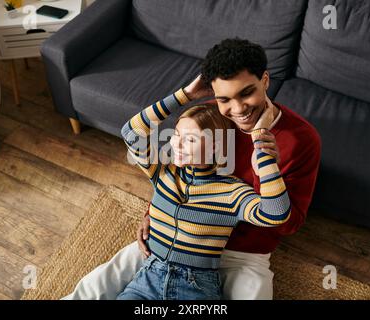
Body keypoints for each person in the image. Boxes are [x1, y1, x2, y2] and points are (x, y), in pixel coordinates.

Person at [63, 38, 321, 300]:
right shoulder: (209, 118)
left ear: (265, 80)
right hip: (172, 239)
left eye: (246, 92)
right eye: (224, 99)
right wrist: (155, 211)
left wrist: (265, 158)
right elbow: (166, 164)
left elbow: (287, 223)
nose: (238, 109)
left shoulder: (302, 139)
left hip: (242, 254)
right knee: (93, 287)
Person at [115, 87, 291, 299]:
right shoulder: (163, 172)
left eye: (190, 140)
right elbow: (131, 132)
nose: (176, 144)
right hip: (147, 280)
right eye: (176, 134)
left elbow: (276, 214)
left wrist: (264, 157)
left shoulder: (231, 192)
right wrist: (185, 94)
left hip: (195, 289)